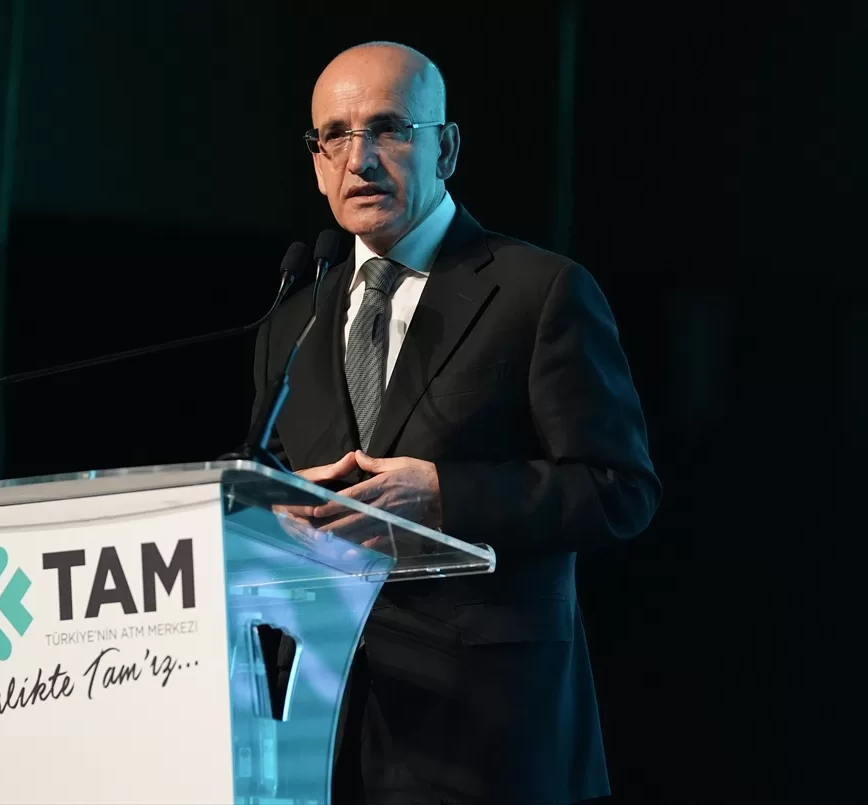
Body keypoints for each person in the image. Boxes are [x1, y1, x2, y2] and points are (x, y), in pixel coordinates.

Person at [245, 42, 662, 805]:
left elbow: (619, 488)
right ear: (316, 163)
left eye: (389, 128)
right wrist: (276, 509)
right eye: (335, 135)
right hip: (323, 730)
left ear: (447, 148)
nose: (360, 158)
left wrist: (446, 496)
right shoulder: (291, 319)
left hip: (488, 734)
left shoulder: (539, 291)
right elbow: (267, 486)